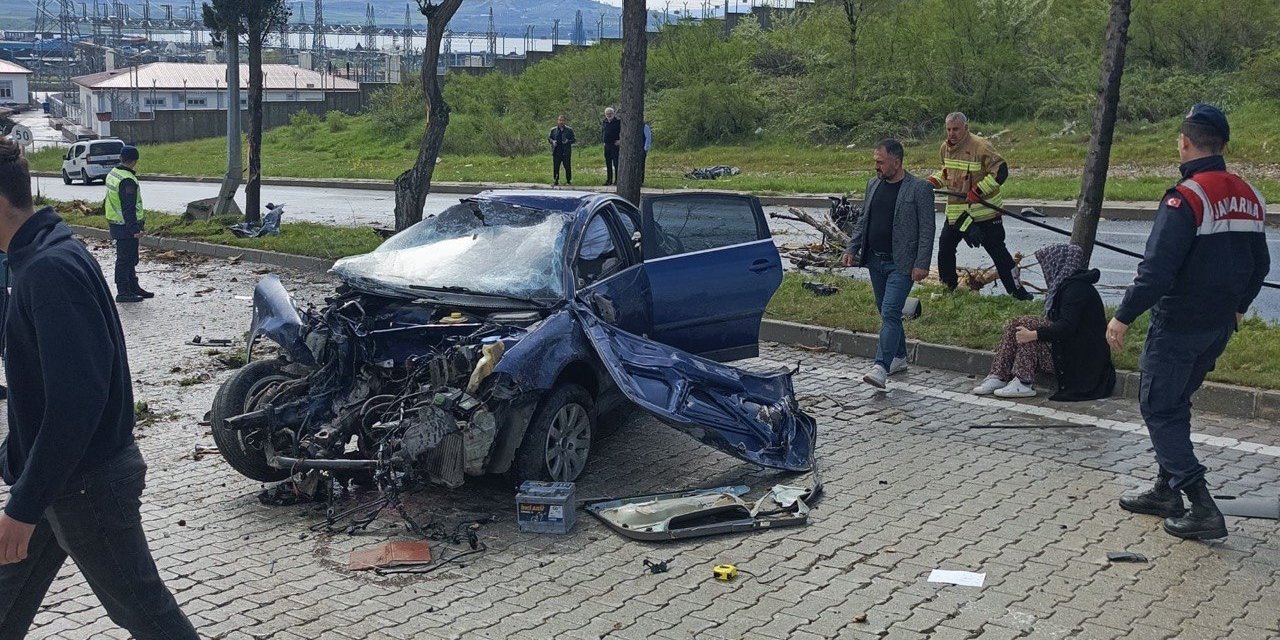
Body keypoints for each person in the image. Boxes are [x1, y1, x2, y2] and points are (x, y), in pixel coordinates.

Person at [0, 138, 198, 637]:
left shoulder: (48, 271)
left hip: (86, 483)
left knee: (149, 616)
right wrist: (18, 462)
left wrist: (22, 508)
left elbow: (77, 399)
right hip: (54, 476)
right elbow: (46, 386)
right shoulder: (41, 256)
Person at [1108, 104, 1269, 541]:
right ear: (1223, 144)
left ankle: (1200, 504)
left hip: (1178, 324)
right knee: (1175, 402)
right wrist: (1239, 308)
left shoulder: (1188, 196)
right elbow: (1261, 264)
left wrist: (1122, 317)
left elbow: (1156, 270)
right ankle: (1166, 490)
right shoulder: (1249, 193)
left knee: (1159, 405)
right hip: (1217, 328)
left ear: (1183, 141)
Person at [842, 139, 935, 389]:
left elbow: (927, 229)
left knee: (891, 311)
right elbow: (864, 220)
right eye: (875, 162)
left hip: (901, 265)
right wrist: (852, 247)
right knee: (885, 310)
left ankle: (880, 367)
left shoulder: (919, 189)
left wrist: (922, 263)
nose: (876, 167)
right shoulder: (873, 184)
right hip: (875, 261)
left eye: (880, 162)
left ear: (896, 161)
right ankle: (899, 357)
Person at [972, 244, 1116, 400]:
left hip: (1080, 362)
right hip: (1067, 349)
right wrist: (1035, 334)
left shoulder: (1076, 290)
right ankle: (999, 375)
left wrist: (1035, 334)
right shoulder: (1065, 287)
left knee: (1028, 325)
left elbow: (1067, 326)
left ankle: (1023, 381)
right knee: (1017, 324)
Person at [928, 112, 1033, 301]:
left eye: (956, 129)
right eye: (949, 129)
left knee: (999, 253)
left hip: (985, 215)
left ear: (966, 128)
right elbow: (947, 173)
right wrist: (932, 182)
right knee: (945, 249)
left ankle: (1018, 293)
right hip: (957, 215)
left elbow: (1000, 172)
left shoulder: (981, 146)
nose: (952, 134)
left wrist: (978, 191)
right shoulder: (944, 148)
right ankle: (948, 289)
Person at [104, 145, 152, 303]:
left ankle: (133, 287)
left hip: (117, 223)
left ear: (121, 158)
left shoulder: (114, 173)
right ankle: (123, 291)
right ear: (135, 160)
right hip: (125, 225)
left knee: (130, 258)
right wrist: (134, 229)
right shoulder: (127, 180)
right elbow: (128, 207)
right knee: (125, 259)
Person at [548, 114, 576, 186]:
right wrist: (553, 142)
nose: (561, 122)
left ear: (565, 121)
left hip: (566, 151)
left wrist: (568, 141)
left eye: (563, 120)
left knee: (567, 167)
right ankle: (556, 181)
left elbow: (574, 139)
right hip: (557, 151)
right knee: (556, 167)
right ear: (557, 121)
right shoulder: (553, 130)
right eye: (560, 120)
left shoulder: (569, 130)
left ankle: (568, 181)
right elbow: (549, 138)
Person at [601, 107, 622, 186]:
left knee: (616, 163)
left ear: (613, 113)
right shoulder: (604, 122)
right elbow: (603, 132)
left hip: (615, 145)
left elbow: (623, 132)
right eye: (607, 114)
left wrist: (620, 140)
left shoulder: (618, 121)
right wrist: (603, 141)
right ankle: (609, 180)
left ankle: (617, 180)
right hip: (607, 145)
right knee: (608, 163)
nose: (609, 115)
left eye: (610, 113)